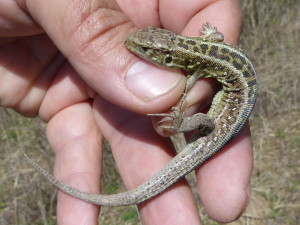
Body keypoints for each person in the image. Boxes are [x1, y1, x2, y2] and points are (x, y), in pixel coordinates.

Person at [0, 0, 253, 224]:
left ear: (167, 59)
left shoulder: (195, 65)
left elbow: (199, 76)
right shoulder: (197, 54)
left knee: (202, 121)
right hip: (231, 92)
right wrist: (210, 32)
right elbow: (217, 39)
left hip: (219, 123)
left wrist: (179, 121)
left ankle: (179, 124)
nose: (131, 45)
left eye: (144, 50)